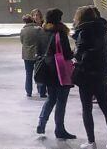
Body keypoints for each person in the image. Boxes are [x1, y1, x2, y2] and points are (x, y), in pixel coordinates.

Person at [73, 6, 107, 149]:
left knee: (87, 109)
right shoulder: (103, 30)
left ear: (81, 18)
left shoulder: (83, 32)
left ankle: (91, 142)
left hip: (86, 74)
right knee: (106, 107)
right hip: (102, 72)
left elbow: (78, 54)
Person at [36, 8, 76, 140]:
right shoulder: (60, 32)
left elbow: (39, 51)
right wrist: (75, 52)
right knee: (61, 101)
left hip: (47, 71)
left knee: (51, 98)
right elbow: (67, 54)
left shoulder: (42, 32)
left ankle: (41, 124)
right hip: (60, 71)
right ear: (59, 19)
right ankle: (59, 129)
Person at [20, 14, 46, 98]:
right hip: (38, 54)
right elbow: (43, 40)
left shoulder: (23, 30)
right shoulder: (38, 29)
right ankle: (41, 92)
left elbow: (22, 41)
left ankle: (29, 92)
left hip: (27, 55)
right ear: (32, 20)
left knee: (28, 74)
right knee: (40, 72)